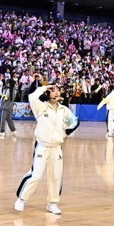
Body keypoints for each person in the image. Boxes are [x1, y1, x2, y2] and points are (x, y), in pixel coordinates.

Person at [14, 84, 79, 215]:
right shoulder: (41, 107)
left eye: (57, 90)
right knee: (36, 175)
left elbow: (75, 122)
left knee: (56, 176)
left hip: (57, 148)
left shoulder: (64, 110)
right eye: (53, 91)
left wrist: (65, 132)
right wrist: (45, 87)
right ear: (48, 93)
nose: (56, 93)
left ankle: (52, 203)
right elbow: (32, 97)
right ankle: (21, 199)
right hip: (42, 146)